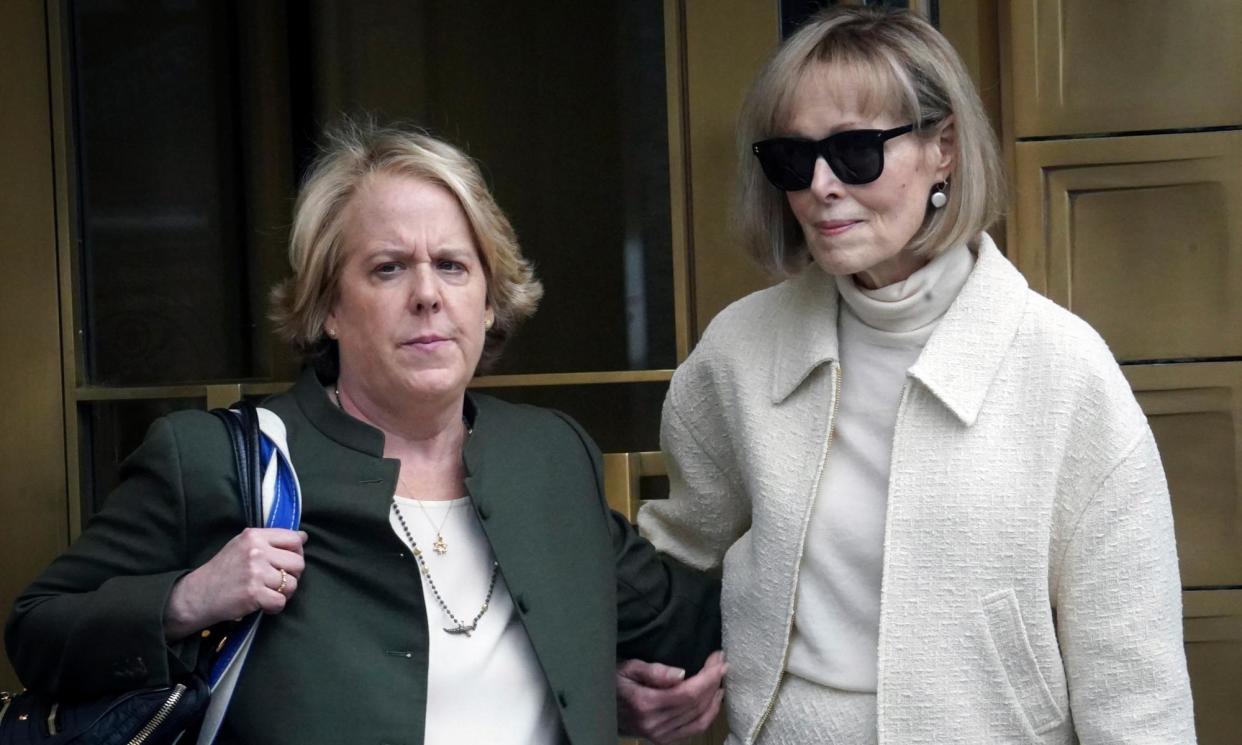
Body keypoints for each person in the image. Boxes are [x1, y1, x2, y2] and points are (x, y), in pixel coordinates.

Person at [5, 122, 724, 745]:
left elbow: (680, 620)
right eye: (388, 268)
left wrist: (624, 684)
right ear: (326, 308)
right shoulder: (214, 461)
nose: (427, 294)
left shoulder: (547, 455)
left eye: (452, 265)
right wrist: (186, 598)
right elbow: (38, 631)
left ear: (489, 298)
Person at [622, 6, 1196, 744]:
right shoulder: (739, 352)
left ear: (944, 148)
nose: (821, 185)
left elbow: (1135, 683)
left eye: (857, 151)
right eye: (793, 160)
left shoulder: (1064, 371)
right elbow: (678, 570)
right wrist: (633, 674)